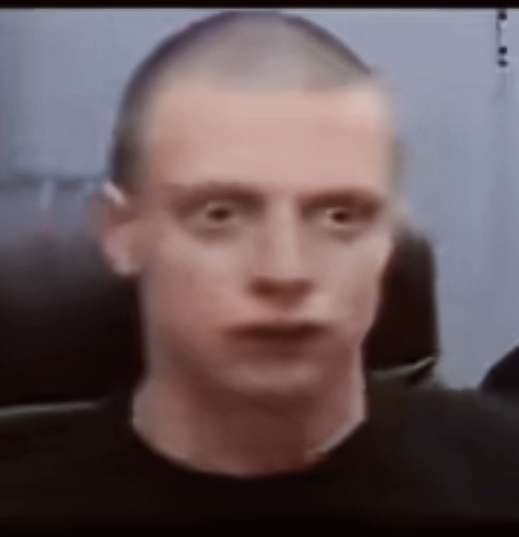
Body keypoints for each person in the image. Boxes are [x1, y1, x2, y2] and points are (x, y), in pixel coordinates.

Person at [2, 10, 519, 529]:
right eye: (220, 214)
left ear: (387, 237)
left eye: (340, 216)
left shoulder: (498, 475)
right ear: (122, 233)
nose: (285, 271)